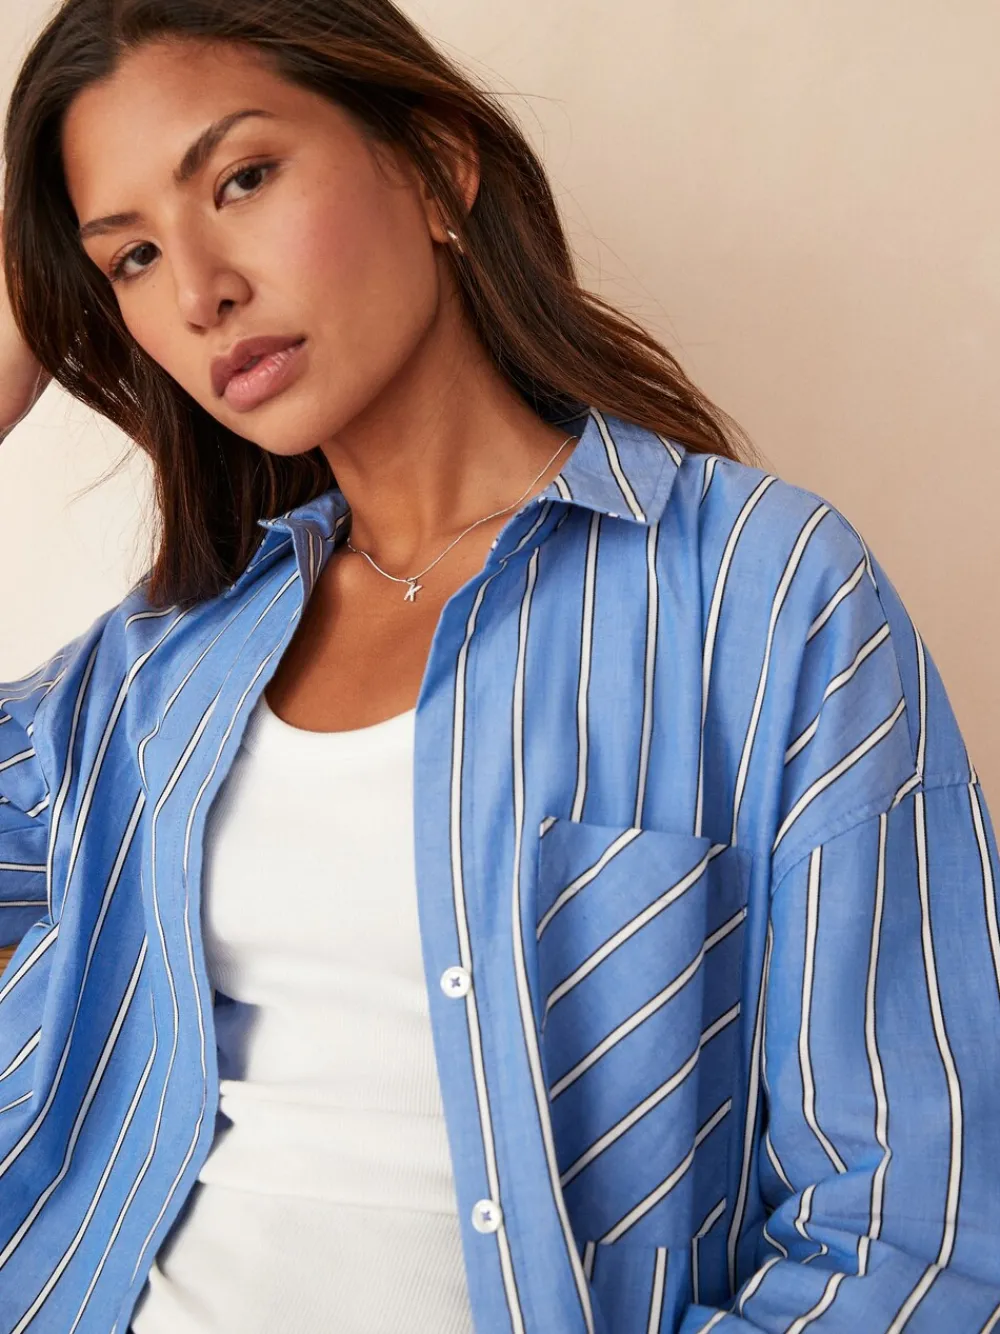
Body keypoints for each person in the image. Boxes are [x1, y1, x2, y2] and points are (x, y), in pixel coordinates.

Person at [0, 1, 997, 1331]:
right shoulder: (160, 666)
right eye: (129, 257)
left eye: (242, 180)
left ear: (434, 167)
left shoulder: (761, 595)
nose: (198, 293)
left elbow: (916, 1226)